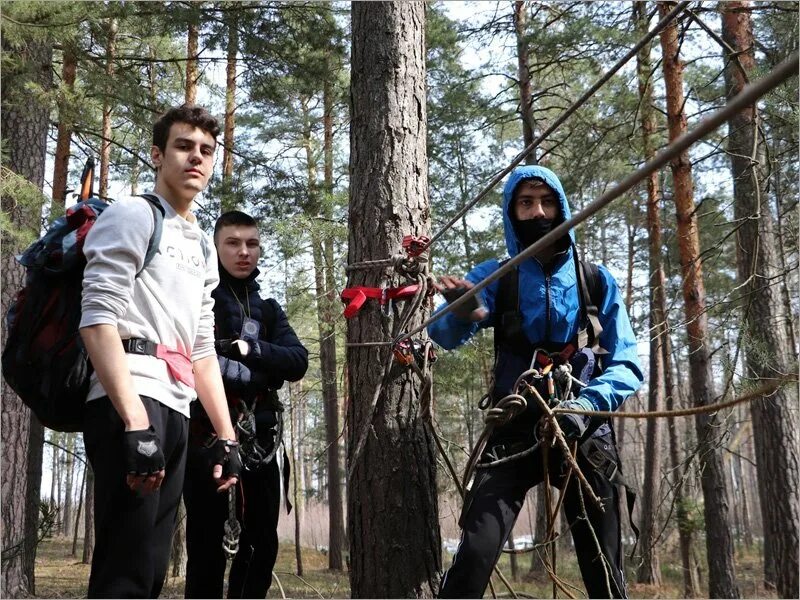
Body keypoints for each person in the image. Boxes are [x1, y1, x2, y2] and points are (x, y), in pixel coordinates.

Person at [430, 165, 643, 599]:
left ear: (561, 207)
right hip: (513, 429)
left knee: (603, 567)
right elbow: (445, 336)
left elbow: (627, 363)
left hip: (582, 430)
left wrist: (587, 406)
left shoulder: (595, 279)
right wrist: (462, 309)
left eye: (546, 202)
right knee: (475, 553)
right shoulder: (498, 275)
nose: (537, 212)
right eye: (525, 203)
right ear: (512, 213)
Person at [79, 104, 242, 599]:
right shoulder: (133, 213)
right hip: (129, 398)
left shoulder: (201, 245)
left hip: (175, 407)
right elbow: (97, 319)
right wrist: (133, 422)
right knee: (123, 571)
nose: (197, 157)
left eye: (207, 151)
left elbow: (201, 350)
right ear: (157, 154)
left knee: (149, 570)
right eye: (184, 146)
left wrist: (228, 438)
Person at [183, 210, 309, 599]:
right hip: (208, 440)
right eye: (233, 243)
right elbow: (194, 360)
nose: (244, 252)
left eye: (251, 243)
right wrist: (263, 371)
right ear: (216, 248)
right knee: (206, 546)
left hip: (262, 445)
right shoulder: (199, 299)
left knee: (261, 546)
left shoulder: (269, 309)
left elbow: (298, 361)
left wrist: (250, 349)